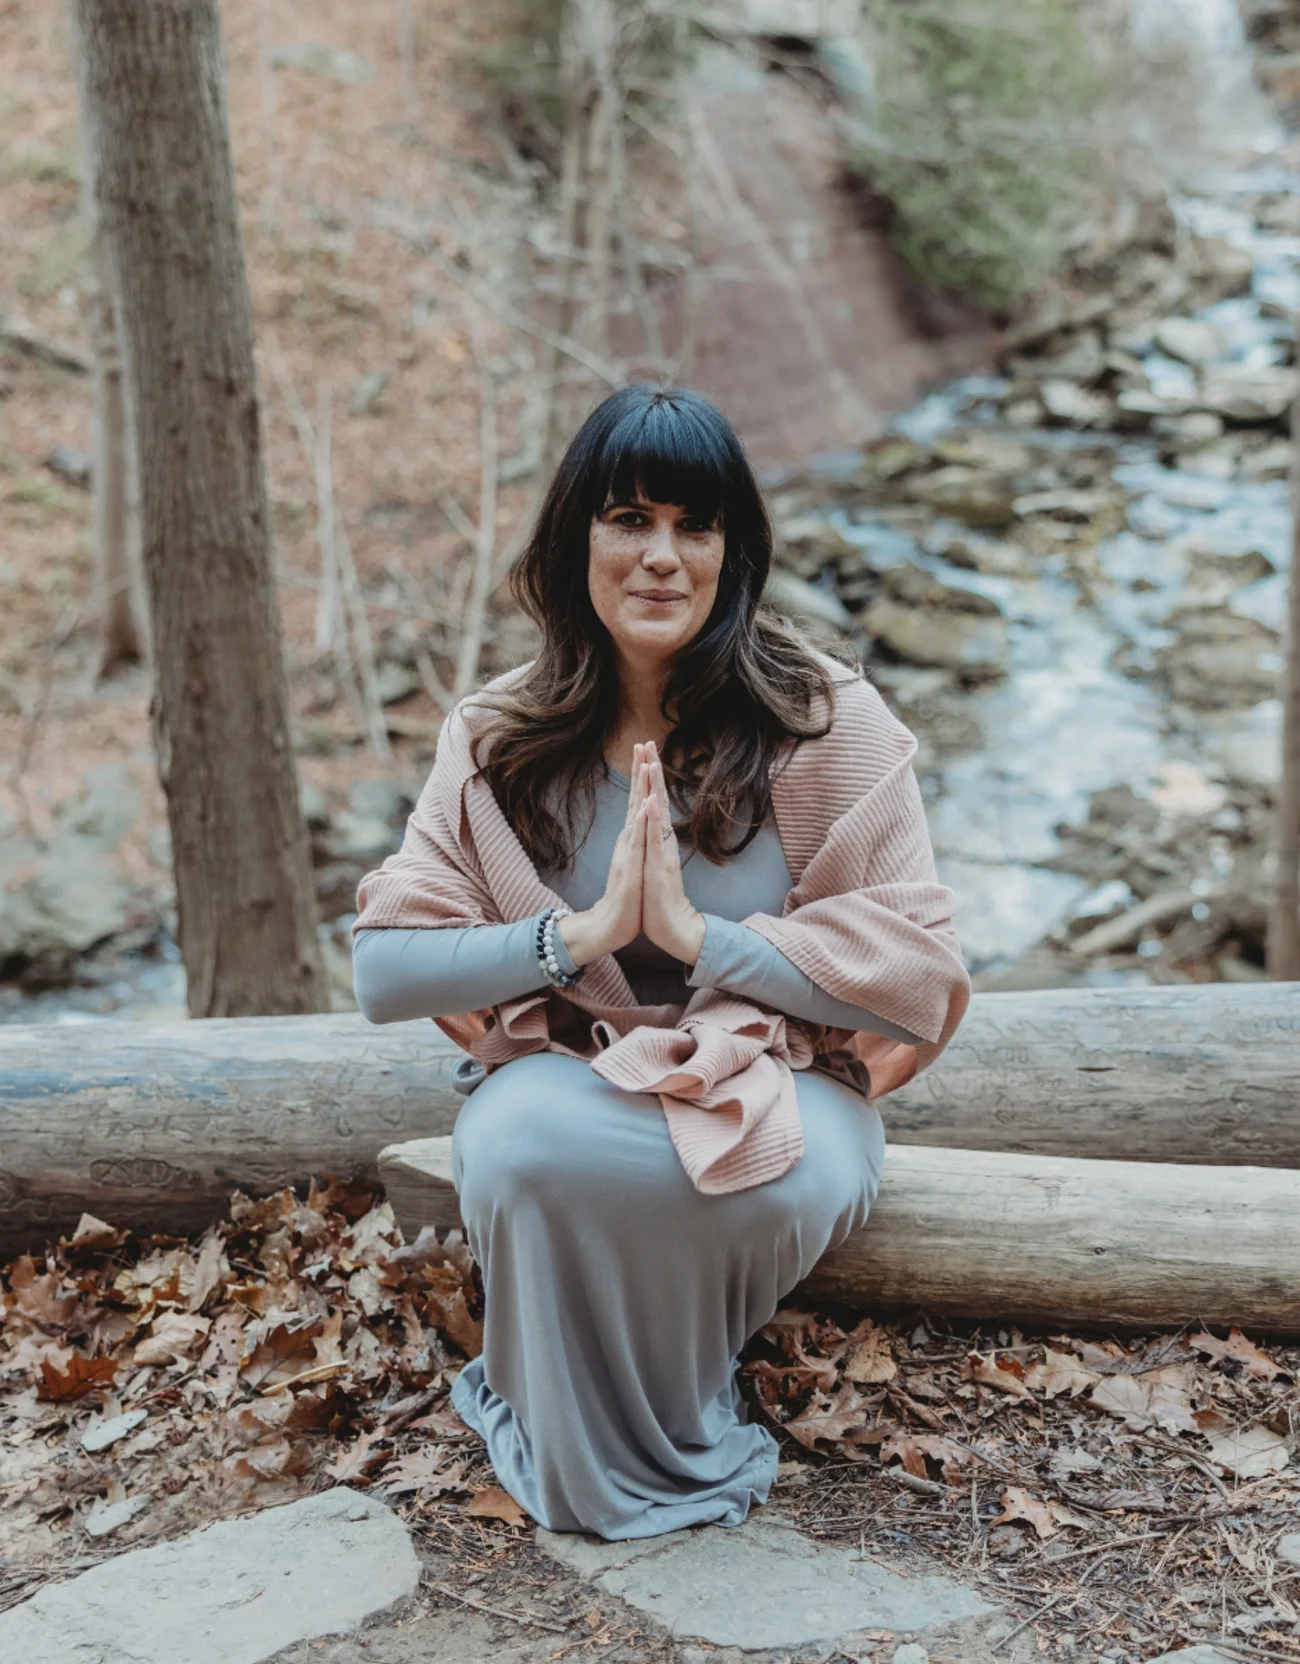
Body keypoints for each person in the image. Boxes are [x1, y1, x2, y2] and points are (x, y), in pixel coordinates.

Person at [351, 382, 969, 1541]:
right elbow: (385, 973)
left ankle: (673, 1409)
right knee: (526, 1146)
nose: (661, 557)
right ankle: (598, 1449)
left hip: (775, 1075)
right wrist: (573, 937)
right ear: (575, 532)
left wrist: (704, 941)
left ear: (734, 551)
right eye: (628, 518)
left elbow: (918, 974)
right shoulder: (497, 736)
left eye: (696, 525)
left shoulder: (828, 722)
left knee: (768, 1169)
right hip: (566, 1077)